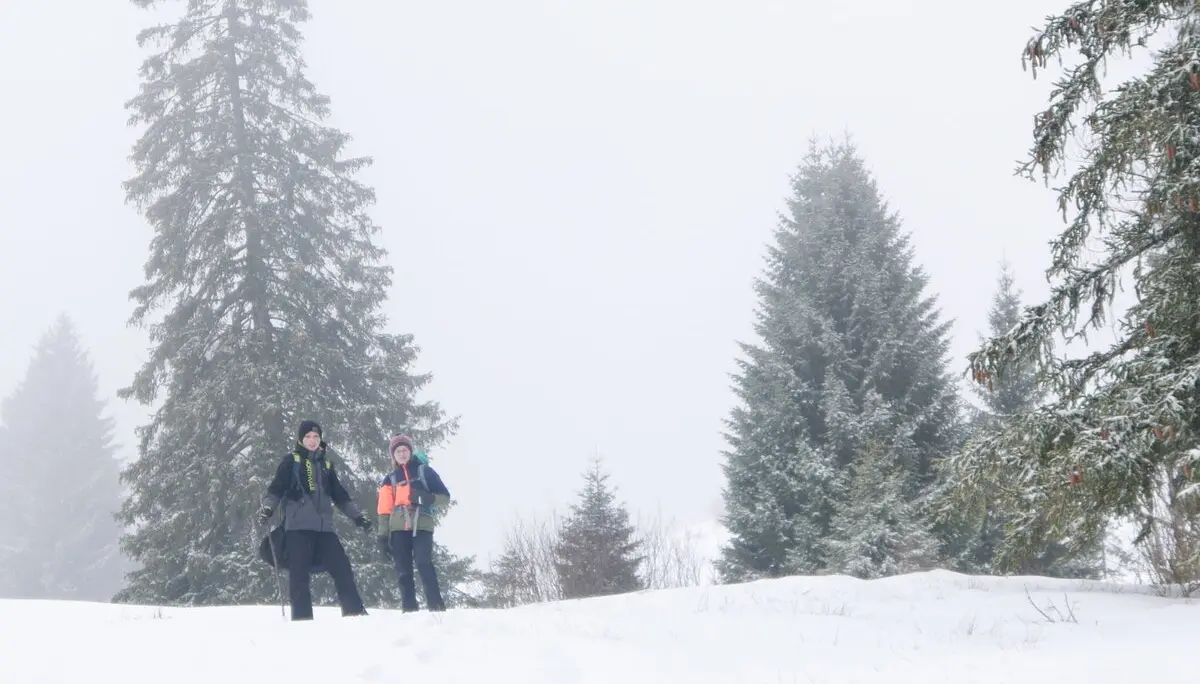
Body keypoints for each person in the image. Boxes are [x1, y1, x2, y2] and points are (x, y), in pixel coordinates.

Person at [257, 419, 374, 621]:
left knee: (342, 569)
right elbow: (276, 489)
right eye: (308, 437)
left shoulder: (326, 465)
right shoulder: (291, 462)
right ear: (300, 439)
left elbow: (341, 497)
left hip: (324, 530)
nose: (312, 440)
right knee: (299, 577)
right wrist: (268, 508)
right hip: (297, 530)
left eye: (316, 436)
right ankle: (302, 621)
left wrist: (358, 517)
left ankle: (355, 615)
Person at [376, 433, 451, 612]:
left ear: (410, 451)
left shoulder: (425, 472)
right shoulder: (389, 479)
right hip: (398, 528)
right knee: (403, 570)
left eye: (404, 450)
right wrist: (382, 537)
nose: (402, 454)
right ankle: (409, 610)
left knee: (423, 562)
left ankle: (436, 607)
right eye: (398, 451)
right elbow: (384, 510)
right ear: (393, 455)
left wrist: (427, 498)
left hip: (422, 524)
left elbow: (445, 497)